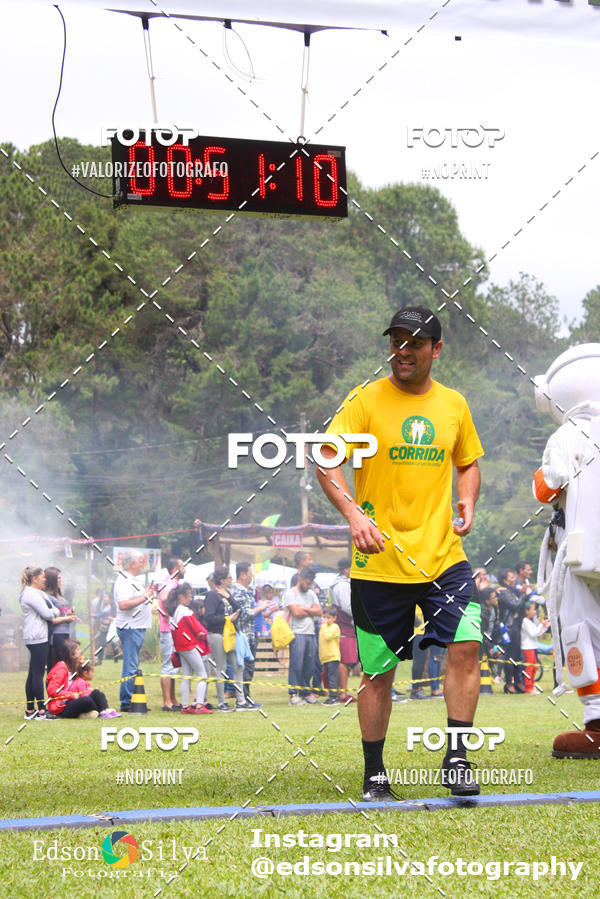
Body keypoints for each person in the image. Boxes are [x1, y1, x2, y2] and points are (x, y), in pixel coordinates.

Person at [316, 305, 484, 799]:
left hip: (442, 557)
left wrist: (467, 498)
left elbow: (469, 462)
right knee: (378, 671)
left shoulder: (454, 404)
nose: (403, 350)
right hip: (379, 561)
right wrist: (353, 515)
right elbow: (325, 460)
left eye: (415, 343)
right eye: (396, 341)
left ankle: (456, 761)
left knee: (467, 644)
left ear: (437, 349)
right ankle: (375, 775)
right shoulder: (364, 401)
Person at [20, 566, 75, 720]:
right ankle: (42, 711)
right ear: (35, 579)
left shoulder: (36, 593)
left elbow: (49, 610)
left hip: (38, 636)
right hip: (37, 637)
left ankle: (30, 710)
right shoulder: (30, 594)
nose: (45, 579)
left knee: (33, 673)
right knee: (37, 674)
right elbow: (47, 613)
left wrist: (54, 610)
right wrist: (57, 611)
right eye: (43, 577)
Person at [114, 550, 156, 713]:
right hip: (130, 627)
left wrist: (146, 595)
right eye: (140, 561)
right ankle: (127, 701)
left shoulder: (130, 580)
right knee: (131, 666)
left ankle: (130, 698)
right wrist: (145, 597)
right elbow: (123, 604)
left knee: (132, 664)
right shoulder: (125, 581)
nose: (142, 564)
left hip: (135, 627)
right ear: (131, 563)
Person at [204, 567, 247, 710]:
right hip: (217, 635)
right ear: (222, 580)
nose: (231, 580)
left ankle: (241, 700)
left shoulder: (227, 594)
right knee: (220, 667)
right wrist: (227, 618)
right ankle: (222, 701)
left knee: (238, 665)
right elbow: (209, 617)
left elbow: (238, 609)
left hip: (230, 635)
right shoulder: (211, 595)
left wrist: (228, 597)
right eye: (229, 578)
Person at [167, 582, 212, 715]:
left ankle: (185, 706)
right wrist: (203, 633)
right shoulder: (186, 611)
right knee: (202, 675)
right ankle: (199, 704)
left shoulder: (175, 612)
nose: (191, 598)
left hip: (180, 647)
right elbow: (197, 628)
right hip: (189, 646)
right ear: (181, 596)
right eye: (189, 596)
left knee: (186, 676)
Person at [46, 639, 118, 718]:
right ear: (71, 653)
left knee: (97, 693)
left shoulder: (74, 667)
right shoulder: (61, 669)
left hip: (73, 700)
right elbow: (52, 690)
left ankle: (105, 711)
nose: (80, 651)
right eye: (78, 650)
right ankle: (96, 711)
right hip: (61, 707)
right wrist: (71, 695)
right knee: (86, 701)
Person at [230, 562, 268, 708]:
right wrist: (260, 608)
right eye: (250, 573)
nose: (252, 576)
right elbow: (243, 614)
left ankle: (246, 697)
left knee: (249, 669)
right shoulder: (238, 592)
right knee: (245, 669)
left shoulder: (245, 591)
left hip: (250, 635)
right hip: (243, 636)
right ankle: (242, 699)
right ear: (243, 574)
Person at [283, 567, 322, 705]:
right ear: (300, 580)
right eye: (307, 583)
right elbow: (296, 612)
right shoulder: (290, 593)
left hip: (310, 633)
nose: (309, 586)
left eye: (311, 583)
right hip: (296, 632)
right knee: (296, 664)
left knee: (309, 664)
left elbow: (319, 611)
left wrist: (304, 608)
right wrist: (311, 610)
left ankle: (305, 692)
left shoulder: (311, 594)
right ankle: (293, 694)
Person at [155, 556, 184, 711]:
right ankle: (167, 702)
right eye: (182, 566)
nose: (184, 569)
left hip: (174, 629)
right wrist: (169, 612)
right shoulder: (169, 582)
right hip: (168, 629)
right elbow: (164, 597)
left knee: (174, 665)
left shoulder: (174, 583)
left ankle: (173, 699)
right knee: (168, 665)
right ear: (175, 569)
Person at [330, 556, 358, 702]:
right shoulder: (342, 585)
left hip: (345, 626)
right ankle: (342, 693)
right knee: (345, 661)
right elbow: (348, 607)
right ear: (346, 569)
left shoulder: (340, 584)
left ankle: (341, 692)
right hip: (345, 625)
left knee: (346, 660)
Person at [497, 569, 525, 693]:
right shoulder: (504, 594)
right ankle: (509, 683)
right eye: (511, 577)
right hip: (509, 628)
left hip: (515, 626)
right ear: (505, 581)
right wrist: (524, 594)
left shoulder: (510, 592)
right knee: (511, 656)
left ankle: (518, 682)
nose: (514, 579)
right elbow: (515, 605)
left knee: (518, 656)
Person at [45, 566, 75, 670]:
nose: (60, 580)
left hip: (65, 632)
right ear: (52, 580)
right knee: (56, 664)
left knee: (64, 663)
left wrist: (68, 614)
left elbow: (61, 615)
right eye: (58, 578)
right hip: (55, 635)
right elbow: (51, 619)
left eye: (60, 578)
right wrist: (66, 618)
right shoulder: (48, 597)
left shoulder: (59, 596)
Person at [520, 601, 550, 693]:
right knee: (529, 668)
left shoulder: (530, 621)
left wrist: (544, 627)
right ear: (526, 611)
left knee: (534, 667)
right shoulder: (525, 621)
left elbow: (537, 633)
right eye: (533, 610)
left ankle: (531, 686)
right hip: (527, 648)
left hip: (532, 647)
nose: (535, 612)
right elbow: (533, 634)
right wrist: (542, 625)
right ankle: (528, 688)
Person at [319, 607, 341, 704]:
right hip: (325, 658)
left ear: (334, 618)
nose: (326, 620)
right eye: (324, 617)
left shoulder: (335, 627)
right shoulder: (324, 628)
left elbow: (328, 637)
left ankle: (334, 697)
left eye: (328, 618)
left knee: (332, 678)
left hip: (333, 657)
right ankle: (331, 696)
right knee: (327, 678)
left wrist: (323, 625)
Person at [91, 590, 114, 664]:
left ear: (110, 598)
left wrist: (112, 619)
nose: (104, 599)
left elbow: (116, 616)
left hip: (111, 627)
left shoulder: (113, 607)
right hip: (104, 627)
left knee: (113, 642)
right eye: (104, 597)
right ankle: (99, 660)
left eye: (106, 597)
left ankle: (116, 656)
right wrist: (95, 616)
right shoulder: (104, 607)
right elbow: (101, 614)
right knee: (102, 643)